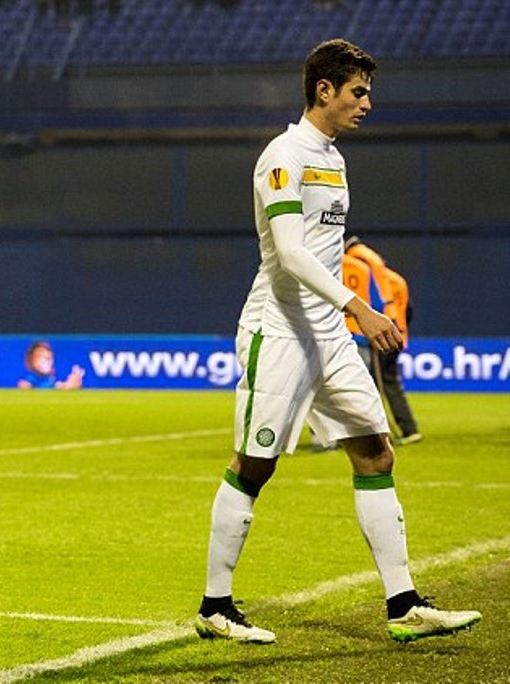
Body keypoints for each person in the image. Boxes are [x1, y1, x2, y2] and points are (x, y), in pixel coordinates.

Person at [195, 39, 480, 644]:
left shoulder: (333, 157)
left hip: (327, 334)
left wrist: (346, 319)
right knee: (254, 465)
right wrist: (361, 309)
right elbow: (292, 253)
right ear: (323, 90)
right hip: (279, 331)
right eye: (358, 91)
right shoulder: (283, 156)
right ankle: (214, 606)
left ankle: (403, 604)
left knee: (376, 452)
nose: (367, 103)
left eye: (367, 92)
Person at [344, 236, 421, 444]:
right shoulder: (396, 279)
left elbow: (372, 303)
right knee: (389, 382)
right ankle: (407, 429)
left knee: (366, 386)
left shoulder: (352, 264)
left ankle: (372, 434)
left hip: (369, 332)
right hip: (396, 331)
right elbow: (408, 309)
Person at [17, 340, 85, 389]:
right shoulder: (30, 380)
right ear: (31, 360)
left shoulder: (51, 380)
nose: (46, 363)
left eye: (49, 359)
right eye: (41, 358)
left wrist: (70, 385)